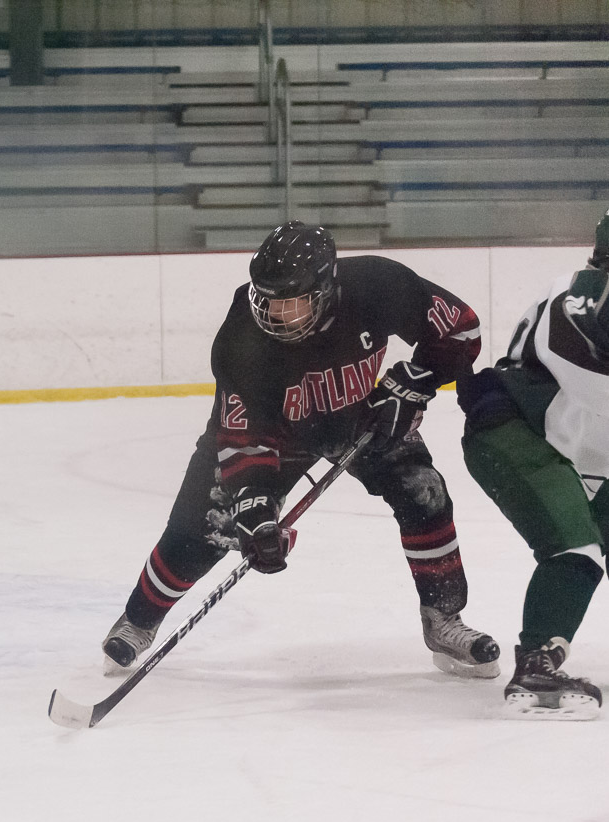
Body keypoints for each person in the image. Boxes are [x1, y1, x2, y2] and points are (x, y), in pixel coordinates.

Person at [102, 221, 499, 680]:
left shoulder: (378, 284)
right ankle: (137, 622)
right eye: (267, 299)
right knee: (206, 527)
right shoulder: (240, 337)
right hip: (275, 434)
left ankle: (444, 621)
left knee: (424, 493)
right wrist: (254, 510)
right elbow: (242, 435)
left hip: (357, 416)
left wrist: (415, 382)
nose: (274, 313)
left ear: (327, 289)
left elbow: (460, 329)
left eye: (290, 302)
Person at [455, 210, 609, 718]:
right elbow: (593, 387)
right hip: (513, 432)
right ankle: (537, 667)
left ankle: (546, 653)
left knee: (587, 547)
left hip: (574, 445)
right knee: (575, 544)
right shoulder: (581, 296)